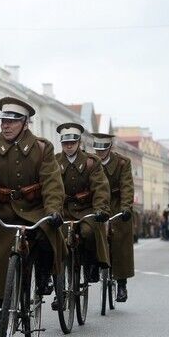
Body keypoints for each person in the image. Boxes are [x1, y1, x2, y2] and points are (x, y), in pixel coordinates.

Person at [0, 97, 65, 337]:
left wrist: (53, 210)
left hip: (35, 210)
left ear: (25, 123)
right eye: (3, 120)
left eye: (12, 121)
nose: (6, 125)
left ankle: (44, 276)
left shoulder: (43, 148)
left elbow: (53, 183)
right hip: (1, 212)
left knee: (46, 239)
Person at [52, 123, 110, 309]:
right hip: (62, 209)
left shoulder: (91, 162)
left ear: (79, 142)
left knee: (88, 232)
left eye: (72, 142)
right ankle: (58, 288)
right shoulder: (53, 162)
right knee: (53, 238)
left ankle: (91, 264)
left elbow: (100, 188)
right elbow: (48, 185)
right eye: (65, 142)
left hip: (86, 210)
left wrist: (100, 209)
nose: (69, 146)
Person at [91, 132, 134, 302]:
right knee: (91, 229)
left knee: (121, 235)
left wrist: (126, 208)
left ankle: (121, 283)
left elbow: (127, 187)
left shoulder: (123, 163)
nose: (100, 153)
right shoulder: (90, 162)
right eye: (97, 149)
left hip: (117, 203)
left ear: (110, 148)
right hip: (96, 203)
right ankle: (93, 265)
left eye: (103, 149)